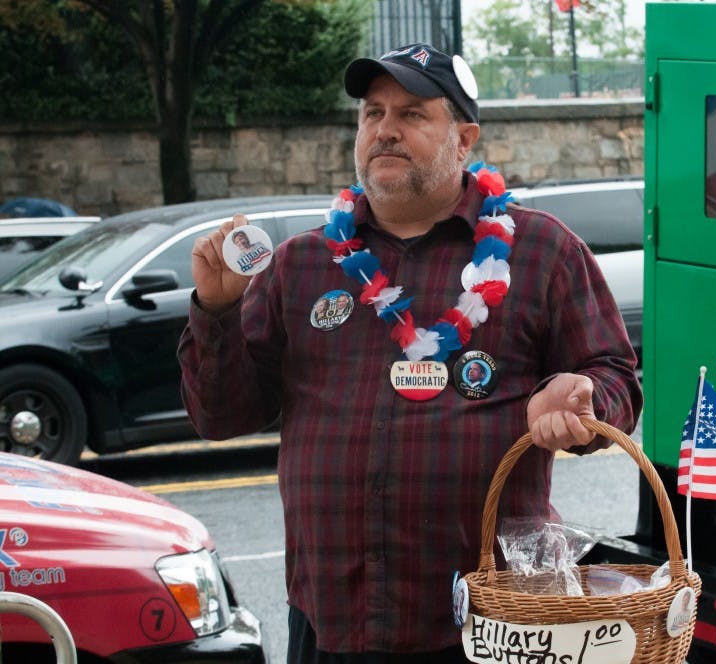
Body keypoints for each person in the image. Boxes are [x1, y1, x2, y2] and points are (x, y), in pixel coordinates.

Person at [178, 42, 641, 663]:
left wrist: (585, 401)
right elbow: (221, 417)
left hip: (489, 627)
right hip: (334, 620)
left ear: (464, 138)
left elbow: (615, 379)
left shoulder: (542, 252)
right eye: (373, 113)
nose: (385, 131)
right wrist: (216, 312)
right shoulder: (302, 264)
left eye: (413, 114)